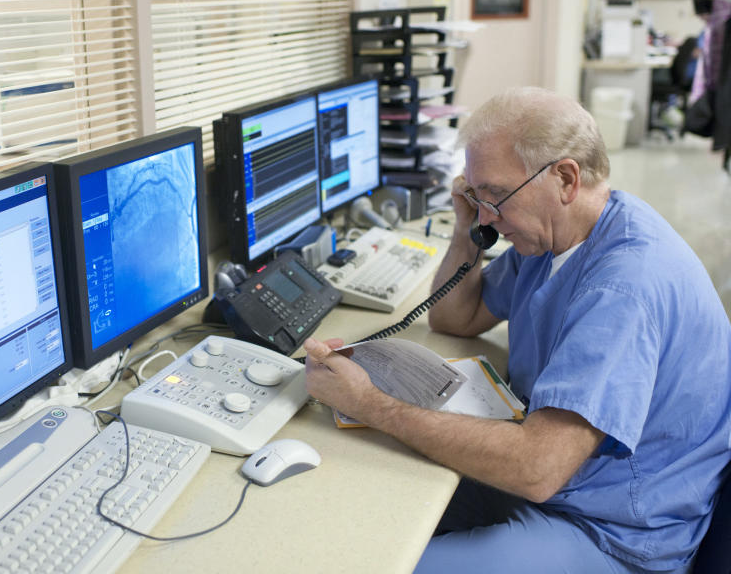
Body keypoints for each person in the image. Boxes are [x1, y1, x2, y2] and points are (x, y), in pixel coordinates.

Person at [304, 87, 731, 574]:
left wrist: (370, 405)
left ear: (565, 178)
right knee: (368, 501)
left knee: (384, 563)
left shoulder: (622, 287)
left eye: (495, 197)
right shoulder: (558, 238)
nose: (489, 217)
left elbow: (538, 469)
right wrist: (469, 226)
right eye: (476, 196)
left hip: (614, 531)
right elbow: (455, 318)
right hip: (565, 484)